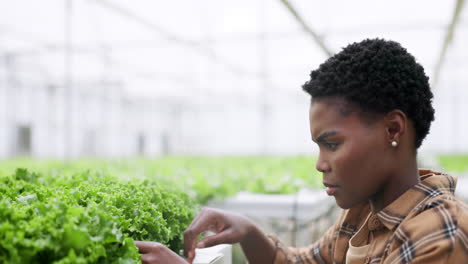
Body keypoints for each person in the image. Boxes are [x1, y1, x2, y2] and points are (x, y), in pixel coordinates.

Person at [135, 39, 468, 263]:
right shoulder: (365, 213)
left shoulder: (440, 236)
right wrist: (249, 231)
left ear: (392, 130)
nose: (321, 164)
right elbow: (306, 261)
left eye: (332, 144)